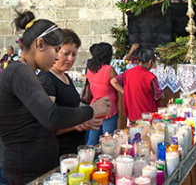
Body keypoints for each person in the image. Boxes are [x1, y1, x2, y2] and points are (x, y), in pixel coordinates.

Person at [0, 11, 110, 185]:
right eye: (57, 50)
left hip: (39, 170)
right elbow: (52, 117)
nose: (58, 57)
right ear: (41, 45)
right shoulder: (18, 72)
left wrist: (80, 121)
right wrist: (92, 110)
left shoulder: (27, 72)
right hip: (23, 175)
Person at [38, 29, 102, 156]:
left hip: (73, 148)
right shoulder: (46, 79)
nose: (70, 59)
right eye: (66, 54)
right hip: (58, 152)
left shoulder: (65, 76)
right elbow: (47, 125)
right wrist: (79, 123)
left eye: (74, 54)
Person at [110, 48, 164, 122]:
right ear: (150, 62)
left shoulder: (128, 73)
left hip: (132, 115)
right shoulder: (150, 77)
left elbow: (113, 81)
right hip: (148, 116)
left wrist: (125, 92)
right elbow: (159, 96)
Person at [86, 43, 119, 145]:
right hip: (109, 107)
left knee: (92, 139)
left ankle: (88, 157)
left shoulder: (90, 69)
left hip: (95, 106)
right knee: (107, 140)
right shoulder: (109, 70)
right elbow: (117, 83)